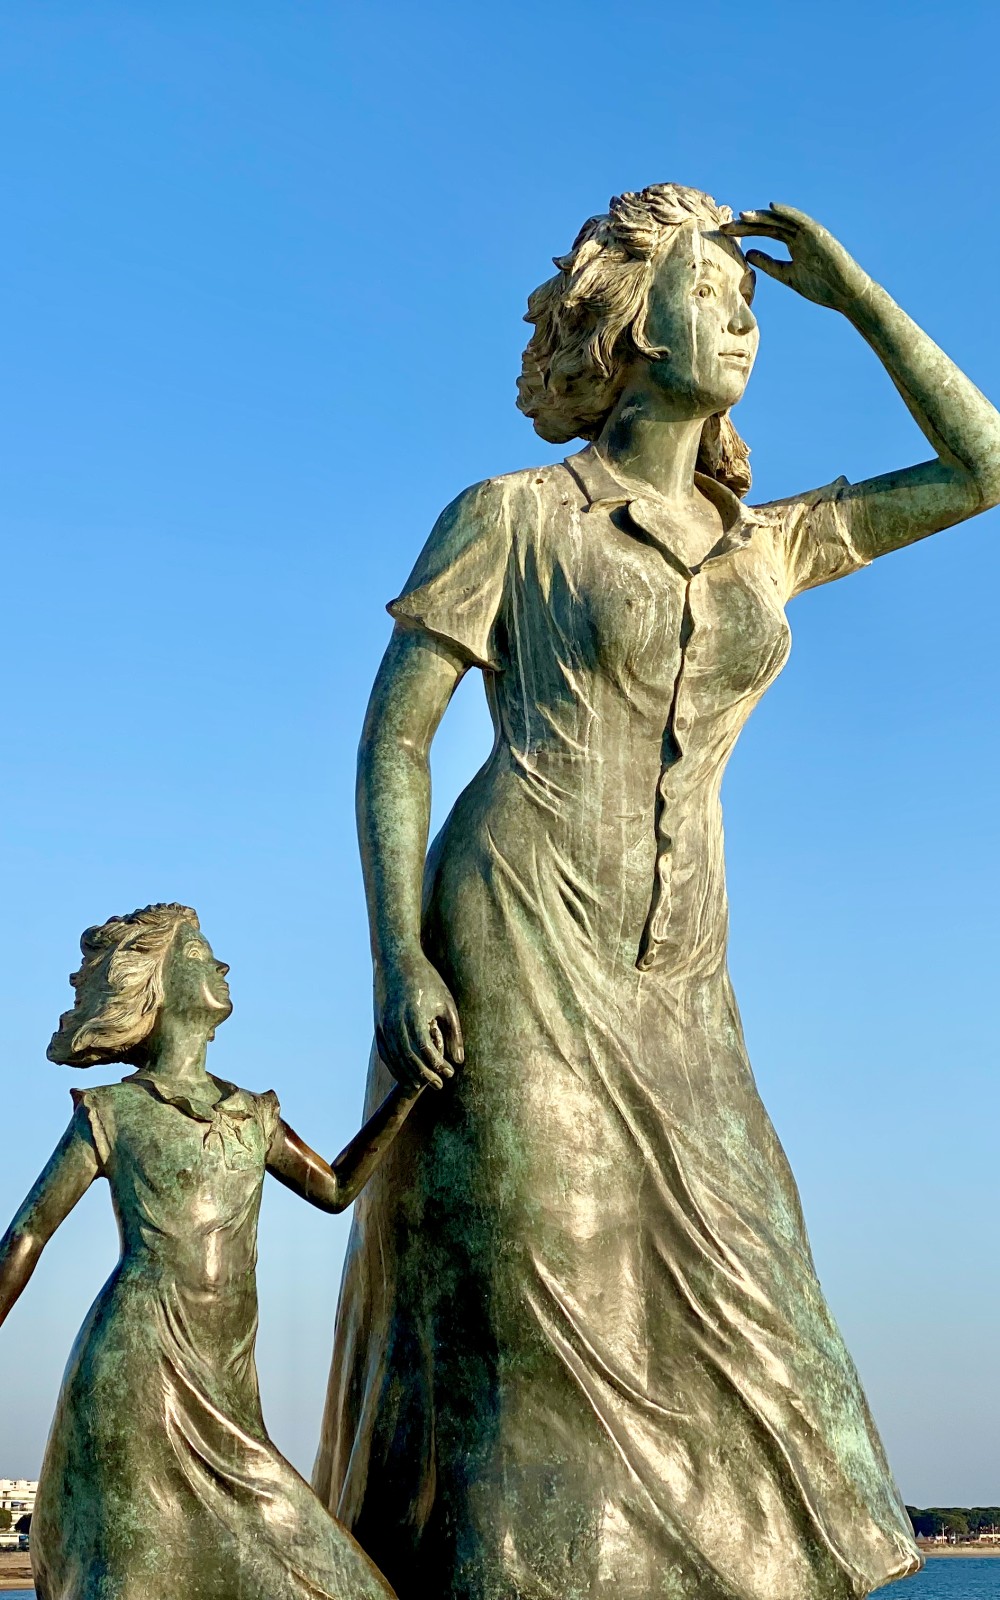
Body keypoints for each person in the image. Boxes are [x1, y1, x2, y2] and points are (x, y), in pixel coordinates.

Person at [314, 186, 1000, 1600]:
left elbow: (984, 468)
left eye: (748, 301)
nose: (741, 315)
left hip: (684, 973)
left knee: (758, 1298)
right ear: (629, 323)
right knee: (543, 1300)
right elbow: (397, 738)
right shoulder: (509, 516)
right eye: (709, 289)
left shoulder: (770, 540)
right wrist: (399, 962)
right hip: (512, 926)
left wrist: (858, 294)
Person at [0, 902, 419, 1600]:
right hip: (138, 1365)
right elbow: (27, 1234)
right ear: (158, 988)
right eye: (199, 955)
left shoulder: (252, 1115)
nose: (220, 964)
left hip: (225, 1378)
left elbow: (337, 1188)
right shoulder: (113, 1113)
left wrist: (410, 1091)